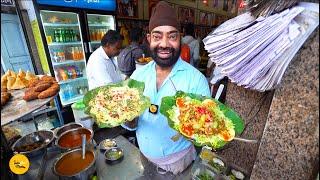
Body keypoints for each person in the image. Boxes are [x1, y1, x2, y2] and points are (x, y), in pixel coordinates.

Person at [123, 1, 210, 175]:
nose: (164, 44)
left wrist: (195, 131)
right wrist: (129, 119)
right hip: (142, 156)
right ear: (149, 39)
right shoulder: (137, 76)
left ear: (180, 38)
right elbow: (130, 124)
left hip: (179, 162)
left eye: (172, 36)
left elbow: (204, 131)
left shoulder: (197, 80)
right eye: (157, 36)